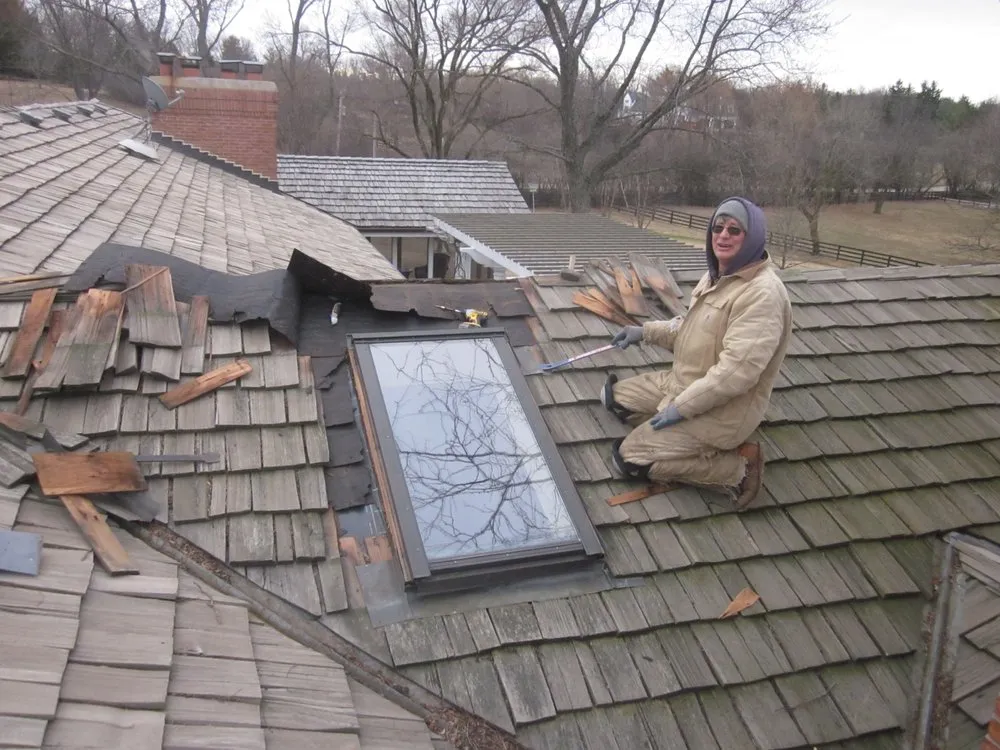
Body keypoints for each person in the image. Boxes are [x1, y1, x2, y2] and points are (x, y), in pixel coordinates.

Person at [601, 196, 792, 508]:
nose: (723, 235)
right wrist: (644, 332)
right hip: (684, 382)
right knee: (613, 399)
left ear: (753, 237)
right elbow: (690, 328)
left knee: (629, 458)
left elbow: (735, 374)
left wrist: (680, 408)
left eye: (735, 230)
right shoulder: (718, 275)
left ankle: (738, 469)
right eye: (718, 227)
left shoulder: (762, 295)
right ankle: (676, 439)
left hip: (723, 411)